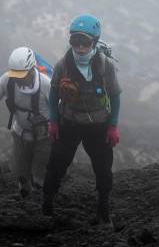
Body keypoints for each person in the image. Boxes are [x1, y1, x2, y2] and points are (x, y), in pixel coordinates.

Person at [42, 14, 121, 226]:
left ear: (94, 42)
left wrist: (113, 126)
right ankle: (47, 204)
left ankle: (103, 211)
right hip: (69, 121)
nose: (79, 47)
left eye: (84, 41)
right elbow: (54, 94)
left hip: (99, 125)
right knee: (57, 163)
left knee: (103, 168)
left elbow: (115, 95)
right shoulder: (63, 65)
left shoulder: (106, 66)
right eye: (74, 41)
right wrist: (53, 122)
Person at [0, 46, 51, 198]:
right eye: (15, 75)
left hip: (45, 135)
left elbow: (60, 108)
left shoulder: (46, 84)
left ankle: (41, 201)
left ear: (32, 70)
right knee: (20, 172)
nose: (18, 78)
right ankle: (25, 198)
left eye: (22, 75)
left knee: (40, 173)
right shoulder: (8, 80)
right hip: (20, 133)